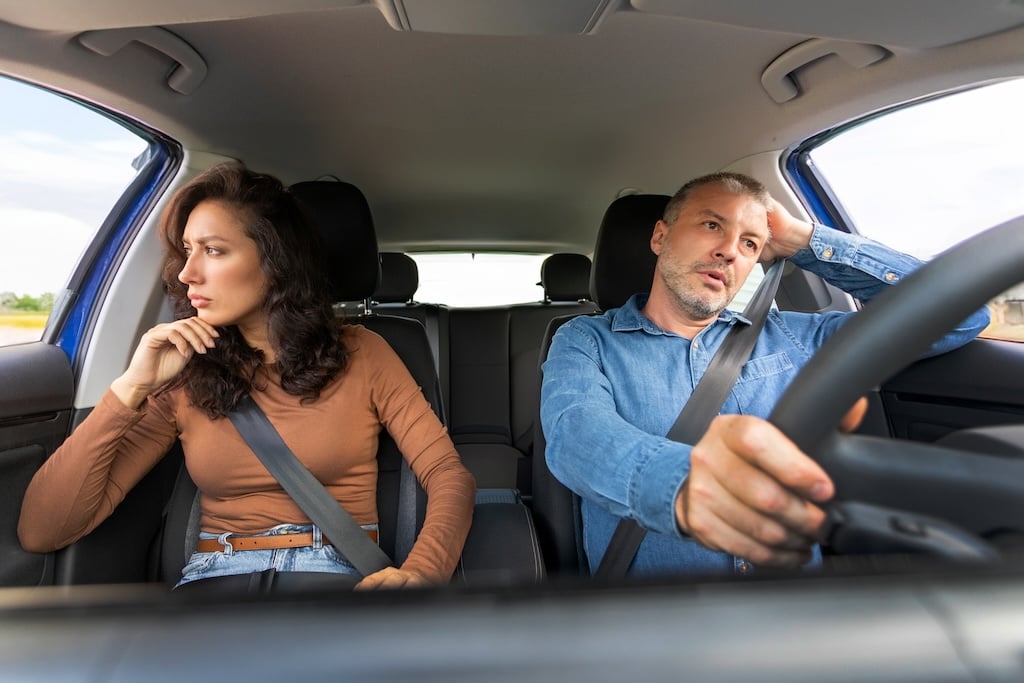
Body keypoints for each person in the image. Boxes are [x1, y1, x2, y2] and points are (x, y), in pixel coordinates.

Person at [18, 162, 476, 590]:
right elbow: (42, 531)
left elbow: (448, 475)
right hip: (212, 584)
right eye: (186, 251)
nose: (186, 272)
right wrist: (130, 388)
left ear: (276, 262)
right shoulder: (184, 371)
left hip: (335, 577)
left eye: (214, 251)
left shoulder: (364, 353)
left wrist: (420, 573)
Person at [540, 172, 990, 577]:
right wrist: (686, 486)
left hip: (790, 611)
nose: (729, 251)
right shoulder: (586, 339)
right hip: (658, 622)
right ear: (660, 237)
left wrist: (805, 240)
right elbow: (576, 433)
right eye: (712, 225)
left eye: (751, 243)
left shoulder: (796, 337)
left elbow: (961, 315)